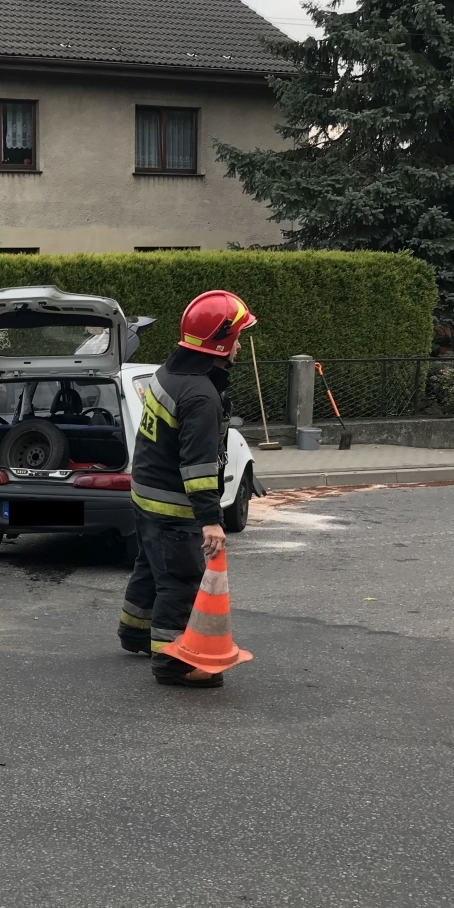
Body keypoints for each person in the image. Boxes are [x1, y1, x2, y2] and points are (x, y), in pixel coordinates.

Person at [118, 290, 257, 689]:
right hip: (174, 507)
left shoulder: (169, 374)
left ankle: (135, 633)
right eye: (238, 337)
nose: (240, 346)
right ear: (222, 341)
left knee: (150, 568)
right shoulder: (201, 395)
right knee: (180, 580)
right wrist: (212, 521)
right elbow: (197, 467)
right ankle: (173, 662)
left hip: (146, 495)